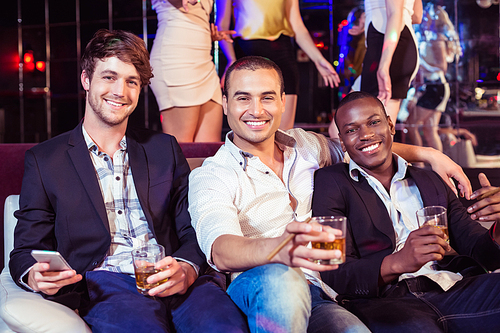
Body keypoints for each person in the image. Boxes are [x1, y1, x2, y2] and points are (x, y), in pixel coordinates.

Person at [188, 56, 475, 333]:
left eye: (267, 97)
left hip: (327, 290)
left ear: (282, 101)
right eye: (242, 98)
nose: (256, 110)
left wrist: (428, 154)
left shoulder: (307, 145)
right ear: (225, 103)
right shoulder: (212, 173)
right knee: (283, 282)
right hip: (265, 283)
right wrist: (282, 249)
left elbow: (364, 145)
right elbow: (220, 250)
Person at [9, 29, 248, 332]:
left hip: (174, 277)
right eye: (109, 77)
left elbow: (193, 227)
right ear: (86, 80)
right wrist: (33, 274)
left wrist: (187, 268)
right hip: (105, 285)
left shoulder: (163, 148)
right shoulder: (45, 160)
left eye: (131, 81)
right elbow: (24, 251)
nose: (120, 91)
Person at [312, 91, 500, 332]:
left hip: (451, 288)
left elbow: (479, 250)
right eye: (351, 130)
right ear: (341, 141)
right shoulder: (330, 182)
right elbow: (332, 271)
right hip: (384, 302)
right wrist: (397, 262)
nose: (366, 135)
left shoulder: (431, 180)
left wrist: (497, 227)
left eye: (374, 122)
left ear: (390, 125)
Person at [216, 0, 340, 130]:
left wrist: (318, 60)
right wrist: (232, 60)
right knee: (251, 125)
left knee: (284, 133)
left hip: (282, 52)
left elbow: (297, 26)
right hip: (248, 52)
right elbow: (222, 26)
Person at [149, 0, 234, 142]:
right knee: (181, 149)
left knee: (207, 150)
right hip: (176, 59)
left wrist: (209, 32)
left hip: (205, 62)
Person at [406, 3, 462, 152]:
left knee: (411, 124)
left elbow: (442, 66)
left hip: (436, 86)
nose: (424, 18)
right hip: (435, 86)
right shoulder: (431, 37)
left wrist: (421, 65)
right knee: (430, 130)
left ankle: (419, 164)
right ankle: (436, 169)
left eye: (427, 15)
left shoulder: (437, 38)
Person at [361, 0, 423, 123]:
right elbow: (416, 16)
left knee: (380, 132)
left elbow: (395, 12)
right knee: (337, 128)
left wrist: (384, 65)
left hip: (387, 50)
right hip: (391, 46)